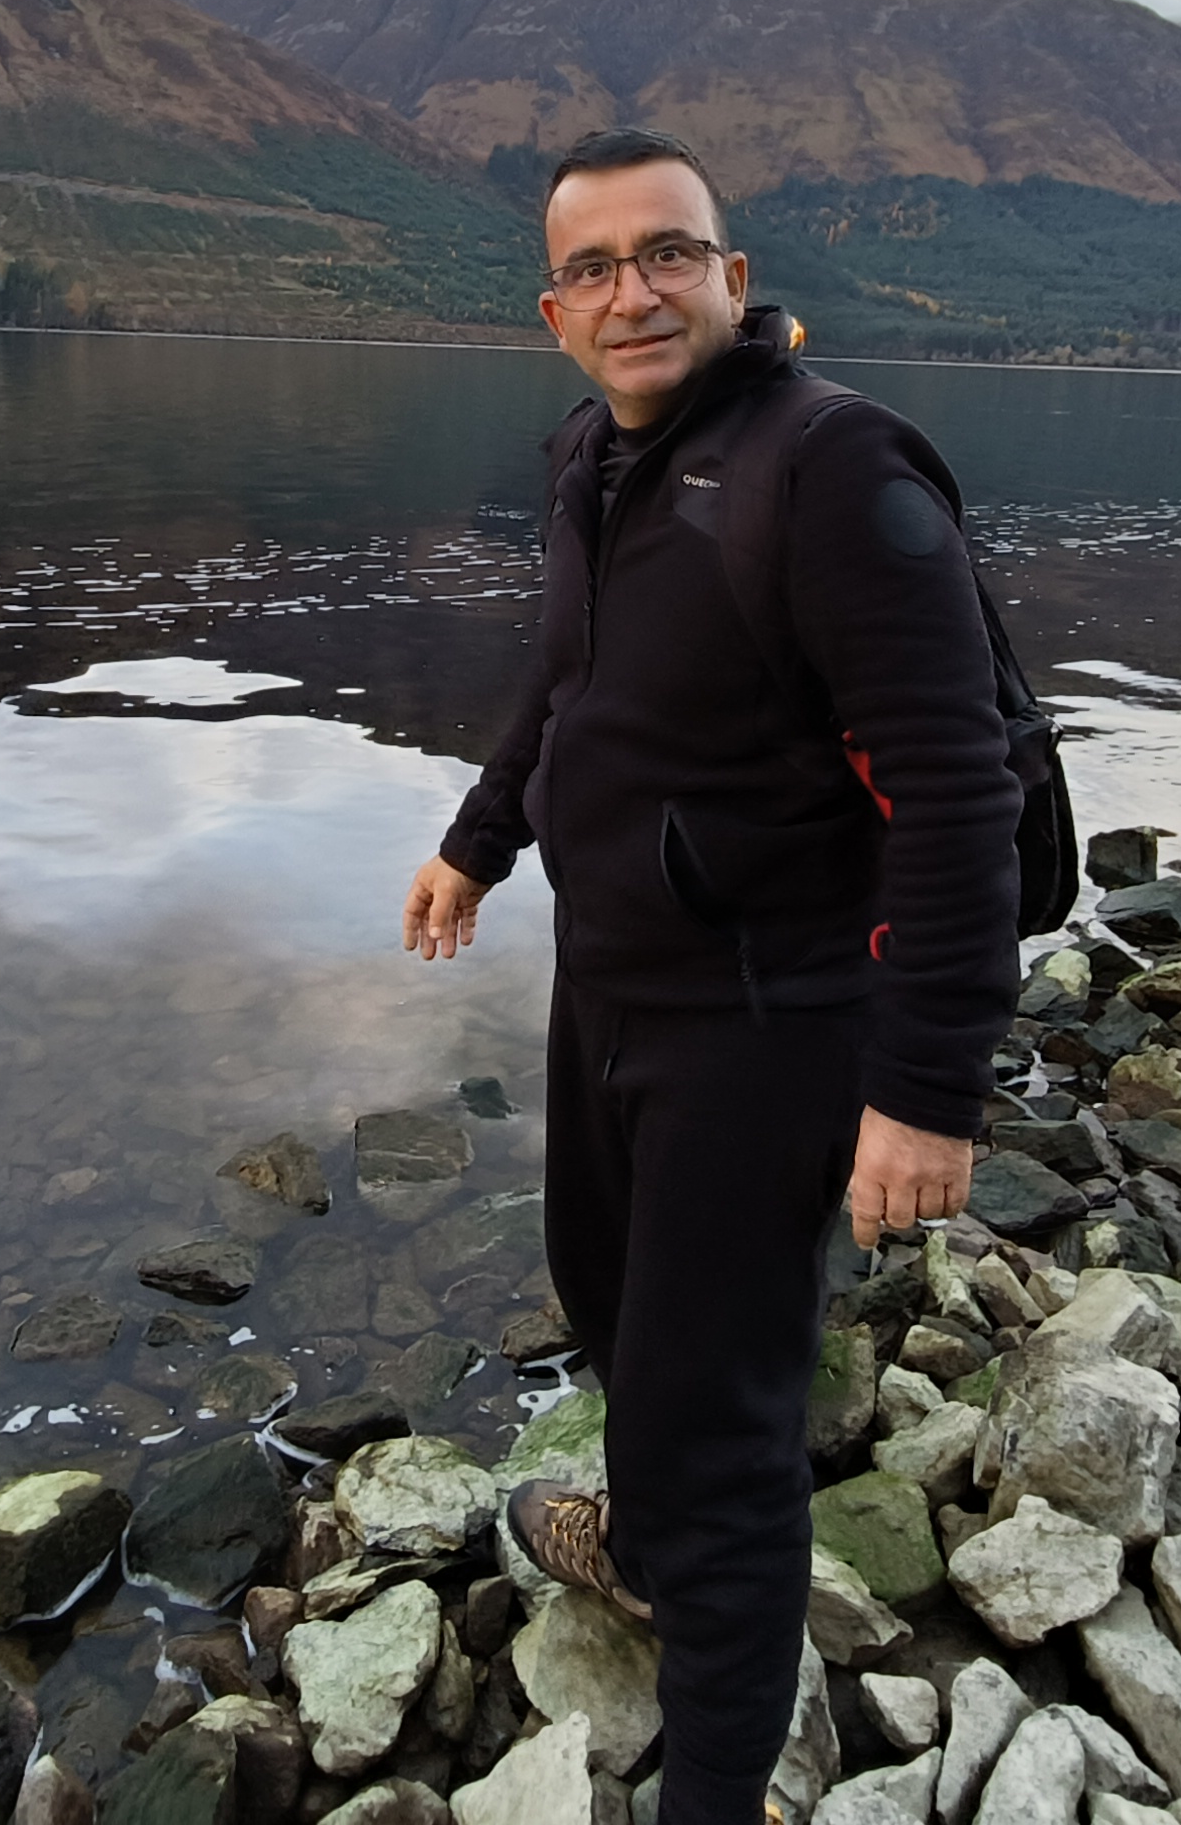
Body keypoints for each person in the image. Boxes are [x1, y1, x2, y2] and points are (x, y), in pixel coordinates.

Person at [401, 127, 1024, 1825]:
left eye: (668, 253)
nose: (636, 292)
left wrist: (925, 1089)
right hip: (611, 988)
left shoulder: (831, 468)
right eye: (595, 268)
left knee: (721, 1419)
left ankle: (718, 1764)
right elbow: (568, 685)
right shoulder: (595, 460)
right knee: (610, 1300)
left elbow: (953, 786)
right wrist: (479, 839)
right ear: (555, 313)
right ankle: (650, 1545)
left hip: (771, 1024)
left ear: (732, 279)